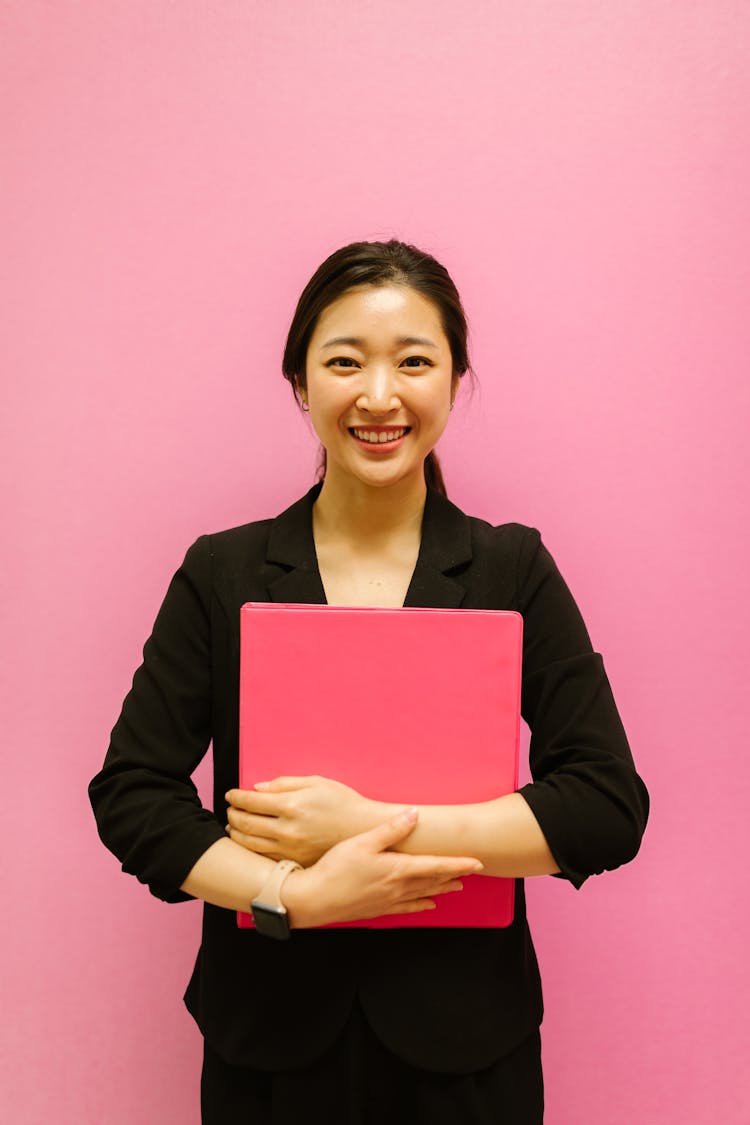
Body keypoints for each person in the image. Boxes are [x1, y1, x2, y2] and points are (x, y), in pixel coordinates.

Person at [89, 238, 649, 1123]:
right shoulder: (223, 571)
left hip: (469, 1052)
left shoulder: (513, 567)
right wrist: (290, 894)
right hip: (268, 1044)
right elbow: (132, 795)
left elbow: (607, 805)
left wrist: (376, 829)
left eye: (414, 361)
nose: (379, 396)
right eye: (344, 361)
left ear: (455, 381)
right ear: (302, 383)